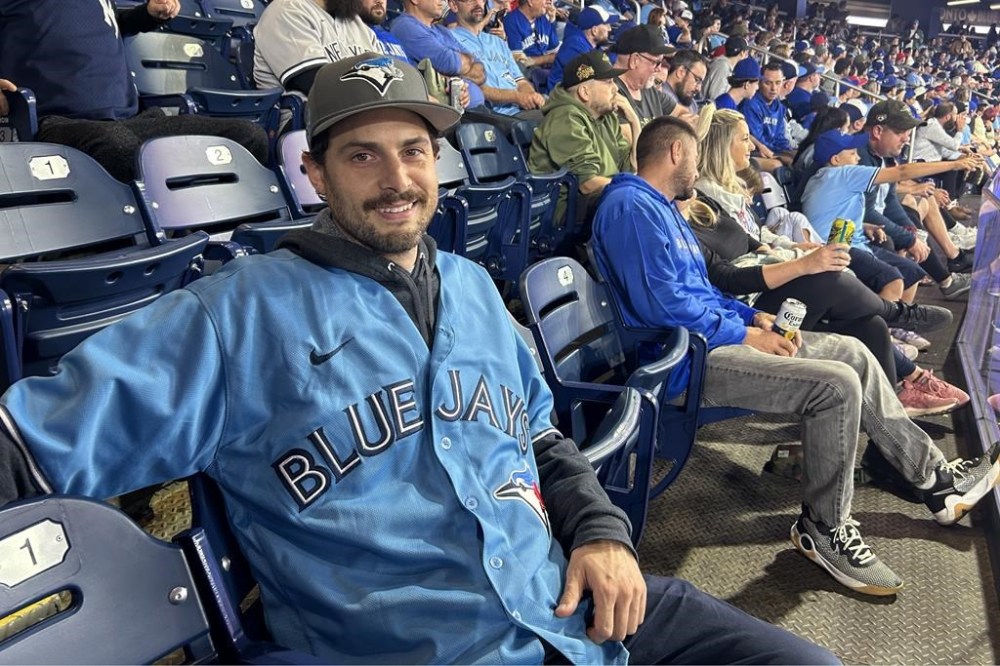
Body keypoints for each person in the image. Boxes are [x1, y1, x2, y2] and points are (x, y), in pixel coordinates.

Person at [0, 52, 839, 666]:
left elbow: (542, 439)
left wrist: (600, 532)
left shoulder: (474, 286)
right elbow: (25, 449)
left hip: (566, 608)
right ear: (317, 174)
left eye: (413, 150)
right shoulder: (232, 316)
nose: (396, 178)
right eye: (361, 155)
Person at [592, 114, 1000, 598]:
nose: (698, 167)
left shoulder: (658, 207)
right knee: (835, 385)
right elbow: (665, 308)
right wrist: (743, 333)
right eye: (695, 156)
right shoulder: (629, 207)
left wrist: (754, 321)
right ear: (676, 153)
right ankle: (823, 528)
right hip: (684, 358)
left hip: (711, 337)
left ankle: (935, 482)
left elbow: (697, 291)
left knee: (851, 352)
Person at [0, 0, 268, 183]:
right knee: (118, 147)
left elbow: (105, 25)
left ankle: (220, 247)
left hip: (132, 119)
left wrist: (147, 14)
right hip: (54, 122)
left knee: (245, 136)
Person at [800, 129, 981, 303]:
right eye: (853, 153)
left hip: (846, 239)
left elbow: (830, 215)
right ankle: (880, 326)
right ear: (836, 159)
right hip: (835, 247)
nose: (858, 157)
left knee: (912, 272)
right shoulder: (844, 173)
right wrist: (955, 164)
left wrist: (864, 226)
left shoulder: (823, 177)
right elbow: (902, 172)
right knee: (893, 279)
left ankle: (898, 325)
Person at [858, 100, 974, 302]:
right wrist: (909, 238)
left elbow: (890, 200)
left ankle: (902, 316)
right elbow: (865, 213)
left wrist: (911, 233)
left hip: (863, 225)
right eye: (900, 131)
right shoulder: (858, 157)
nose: (906, 138)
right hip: (844, 232)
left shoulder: (880, 155)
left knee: (909, 237)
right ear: (877, 131)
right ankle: (894, 320)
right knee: (897, 244)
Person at [529, 51, 641, 229]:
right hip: (565, 210)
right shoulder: (565, 117)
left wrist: (634, 123)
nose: (616, 89)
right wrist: (639, 190)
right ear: (584, 92)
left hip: (604, 197)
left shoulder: (606, 117)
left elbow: (631, 168)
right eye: (608, 82)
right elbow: (588, 184)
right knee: (637, 207)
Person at [252, 0, 382, 94]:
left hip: (358, 114)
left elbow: (388, 78)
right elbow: (313, 83)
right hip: (302, 121)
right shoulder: (287, 9)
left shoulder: (358, 25)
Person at [450, 0, 546, 119]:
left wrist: (531, 96)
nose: (478, 4)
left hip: (522, 110)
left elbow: (520, 81)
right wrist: (517, 97)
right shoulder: (450, 41)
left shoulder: (497, 41)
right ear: (454, 5)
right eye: (470, 0)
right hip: (493, 117)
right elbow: (475, 89)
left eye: (481, 0)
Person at [612, 25, 678, 125]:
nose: (659, 69)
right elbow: (631, 139)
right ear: (634, 60)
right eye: (656, 62)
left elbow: (681, 112)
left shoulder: (649, 90)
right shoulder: (611, 92)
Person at [546, 6, 615, 92]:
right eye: (606, 25)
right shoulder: (574, 46)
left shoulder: (593, 47)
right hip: (559, 97)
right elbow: (586, 81)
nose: (610, 29)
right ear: (594, 30)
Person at [740, 61, 795, 165]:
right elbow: (757, 138)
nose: (773, 88)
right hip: (755, 151)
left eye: (778, 83)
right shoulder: (751, 104)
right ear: (760, 82)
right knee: (780, 164)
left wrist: (789, 151)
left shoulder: (779, 107)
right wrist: (779, 155)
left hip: (772, 150)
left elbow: (780, 137)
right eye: (768, 83)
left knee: (798, 158)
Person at [504, 0, 561, 70]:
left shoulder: (543, 18)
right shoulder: (511, 21)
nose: (549, 2)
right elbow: (520, 62)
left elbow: (556, 52)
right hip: (527, 73)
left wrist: (552, 21)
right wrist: (547, 58)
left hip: (547, 69)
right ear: (530, 2)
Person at [701, 35, 749, 102]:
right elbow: (715, 97)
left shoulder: (726, 65)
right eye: (746, 54)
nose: (746, 57)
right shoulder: (723, 67)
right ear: (742, 53)